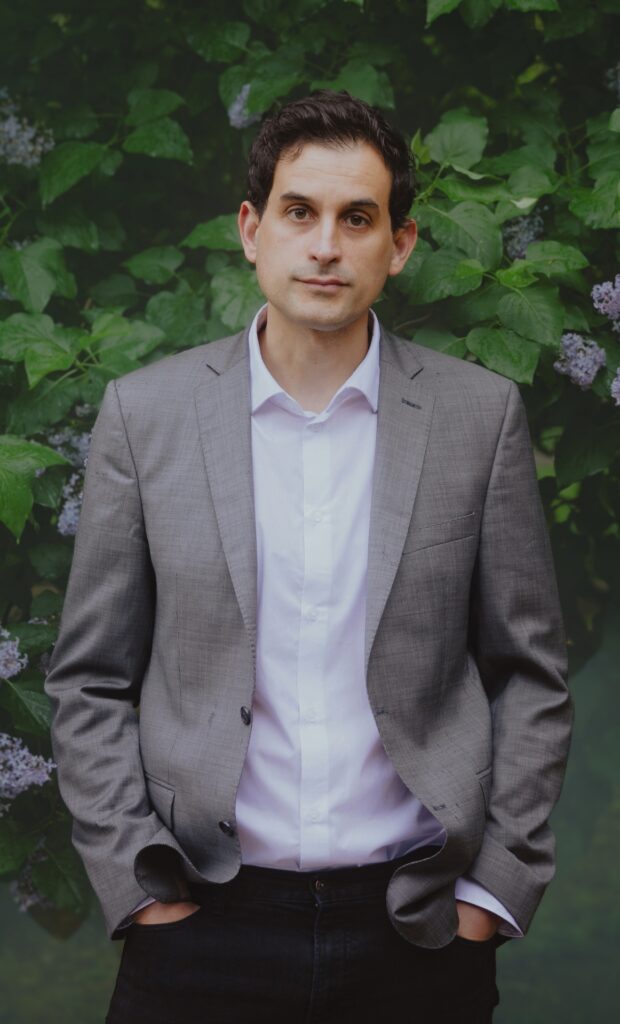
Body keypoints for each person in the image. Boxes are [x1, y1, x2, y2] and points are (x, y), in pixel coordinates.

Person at [44, 90, 573, 1024]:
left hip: (417, 928)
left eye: (356, 218)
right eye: (300, 212)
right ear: (252, 230)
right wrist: (140, 887)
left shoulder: (478, 418)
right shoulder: (145, 414)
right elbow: (90, 678)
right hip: (200, 921)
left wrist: (492, 893)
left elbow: (529, 674)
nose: (326, 244)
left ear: (399, 245)